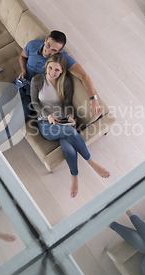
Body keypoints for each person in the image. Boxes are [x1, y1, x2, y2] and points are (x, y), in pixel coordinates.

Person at [0, 30, 101, 147]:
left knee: (12, 128)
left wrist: (93, 98)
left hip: (31, 98)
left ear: (59, 51)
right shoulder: (33, 45)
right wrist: (23, 70)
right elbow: (22, 56)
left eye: (54, 50)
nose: (48, 51)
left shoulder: (62, 59)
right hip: (17, 86)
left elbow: (83, 76)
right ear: (45, 41)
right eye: (48, 45)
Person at [30, 54, 110, 198]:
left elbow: (67, 104)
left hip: (63, 120)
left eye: (57, 70)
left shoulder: (65, 82)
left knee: (68, 148)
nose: (52, 72)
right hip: (46, 123)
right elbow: (35, 103)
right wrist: (48, 115)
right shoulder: (37, 80)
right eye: (50, 68)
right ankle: (92, 163)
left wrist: (69, 116)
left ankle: (74, 177)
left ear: (62, 71)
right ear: (46, 66)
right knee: (70, 132)